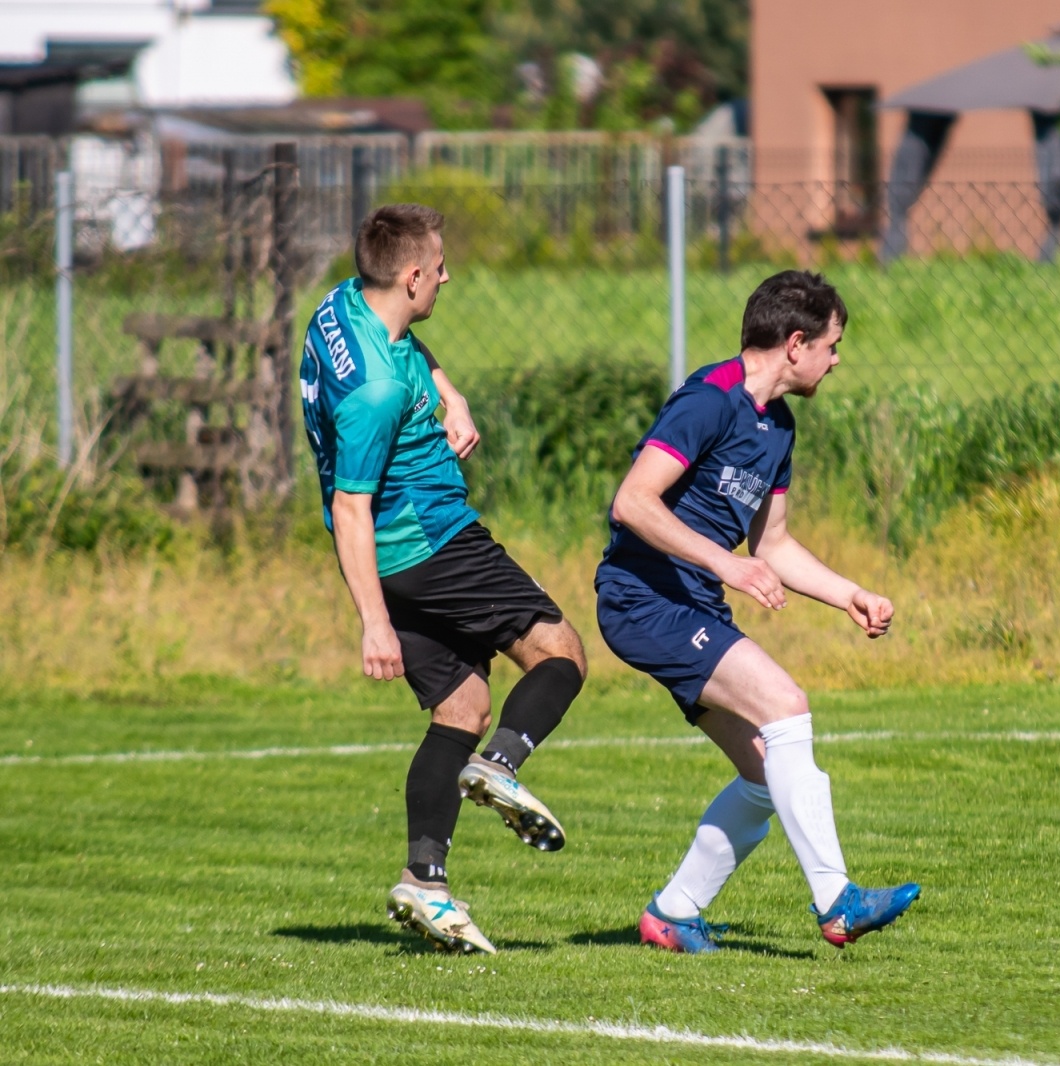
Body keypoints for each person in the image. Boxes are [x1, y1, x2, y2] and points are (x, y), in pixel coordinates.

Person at [595, 269, 920, 953]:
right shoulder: (709, 401)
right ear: (796, 343)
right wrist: (725, 564)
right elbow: (633, 502)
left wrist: (848, 595)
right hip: (643, 598)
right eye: (833, 346)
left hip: (690, 604)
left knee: (764, 774)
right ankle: (838, 900)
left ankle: (672, 914)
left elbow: (771, 543)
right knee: (785, 702)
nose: (836, 361)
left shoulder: (778, 425)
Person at [299, 203, 587, 955]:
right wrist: (373, 624)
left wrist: (449, 393)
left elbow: (406, 346)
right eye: (440, 267)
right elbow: (350, 507)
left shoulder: (342, 304)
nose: (448, 276)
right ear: (413, 275)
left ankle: (424, 882)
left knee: (461, 704)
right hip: (431, 542)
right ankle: (501, 766)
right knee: (560, 652)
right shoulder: (375, 397)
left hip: (402, 561)